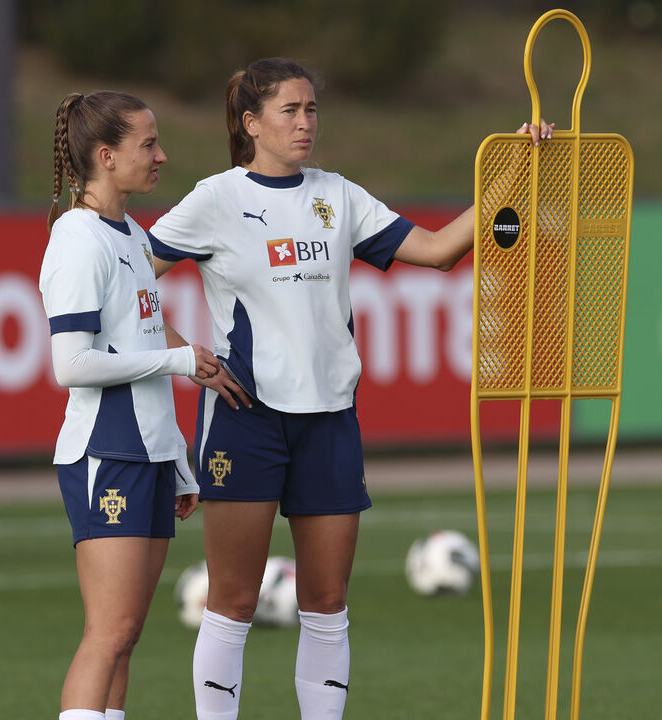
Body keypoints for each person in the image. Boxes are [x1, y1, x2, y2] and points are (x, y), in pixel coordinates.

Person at [147, 57, 552, 720]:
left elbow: (442, 250)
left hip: (331, 423)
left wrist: (517, 169)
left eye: (311, 110)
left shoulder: (339, 195)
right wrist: (179, 354)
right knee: (234, 602)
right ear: (250, 122)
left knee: (327, 602)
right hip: (244, 420)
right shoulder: (216, 199)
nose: (306, 123)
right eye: (289, 110)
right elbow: (127, 278)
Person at [40, 90, 221, 720]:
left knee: (127, 639)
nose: (162, 155)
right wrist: (179, 360)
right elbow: (73, 365)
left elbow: (141, 341)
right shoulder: (78, 239)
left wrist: (175, 459)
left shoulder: (132, 236)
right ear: (106, 155)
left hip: (147, 454)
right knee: (109, 633)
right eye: (148, 144)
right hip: (104, 454)